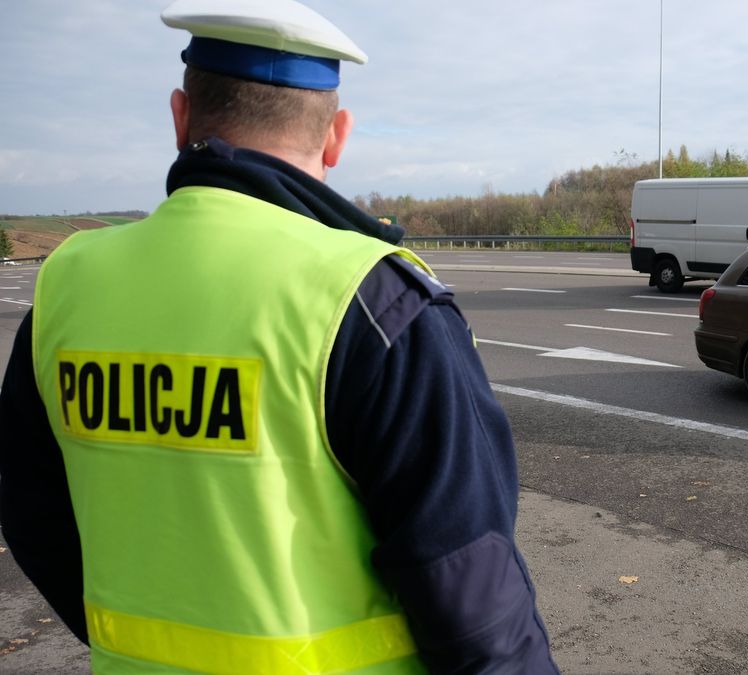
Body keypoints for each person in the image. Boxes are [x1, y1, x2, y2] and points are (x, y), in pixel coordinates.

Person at [0, 1, 559, 673]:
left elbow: (32, 517)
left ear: (180, 116)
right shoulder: (372, 301)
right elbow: (478, 611)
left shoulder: (68, 286)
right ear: (336, 137)